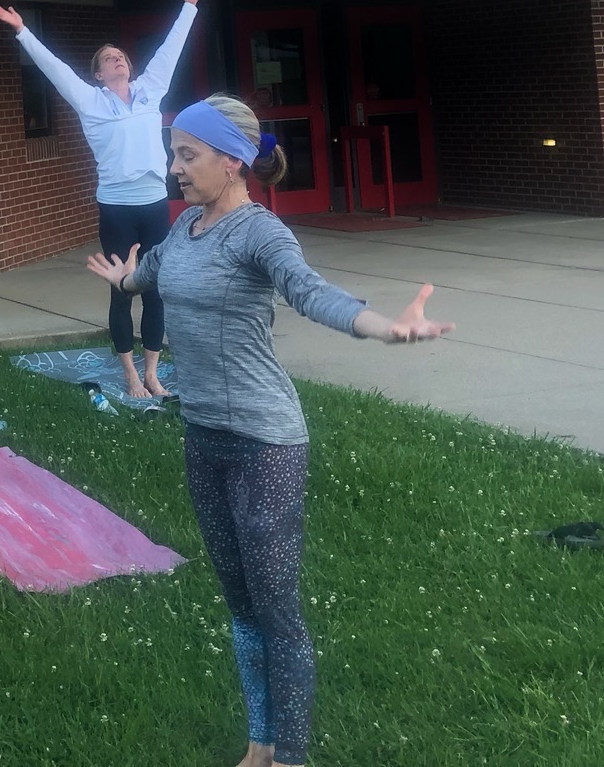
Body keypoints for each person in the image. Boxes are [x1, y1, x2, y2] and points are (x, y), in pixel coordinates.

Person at [86, 93, 452, 767]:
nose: (175, 168)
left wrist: (382, 327)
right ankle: (260, 746)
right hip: (203, 437)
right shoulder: (185, 227)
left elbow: (310, 292)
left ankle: (291, 757)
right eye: (173, 154)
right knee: (241, 605)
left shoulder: (260, 233)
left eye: (187, 155)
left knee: (277, 611)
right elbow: (150, 276)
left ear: (233, 161)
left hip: (265, 442)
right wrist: (124, 279)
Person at [0, 0, 210, 399]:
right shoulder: (90, 101)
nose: (118, 60)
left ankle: (152, 374)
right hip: (117, 209)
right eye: (109, 59)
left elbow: (171, 50)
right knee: (121, 291)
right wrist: (22, 31)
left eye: (121, 56)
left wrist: (189, 7)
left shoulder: (150, 90)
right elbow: (54, 68)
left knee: (156, 292)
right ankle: (130, 375)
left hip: (154, 204)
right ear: (98, 74)